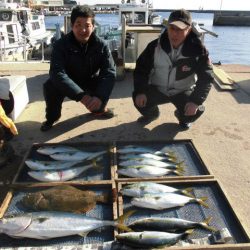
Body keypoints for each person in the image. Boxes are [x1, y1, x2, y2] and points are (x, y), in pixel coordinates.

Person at [133, 9, 214, 129]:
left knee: (198, 109)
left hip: (182, 90)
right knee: (138, 99)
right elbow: (141, 69)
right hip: (158, 89)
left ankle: (182, 116)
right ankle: (152, 114)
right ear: (167, 27)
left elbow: (206, 78)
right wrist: (140, 91)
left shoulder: (199, 50)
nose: (174, 34)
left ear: (189, 30)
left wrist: (195, 101)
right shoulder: (154, 46)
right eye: (172, 28)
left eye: (180, 30)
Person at [41, 5, 116, 132]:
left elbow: (109, 72)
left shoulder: (101, 45)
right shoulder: (60, 45)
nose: (83, 30)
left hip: (88, 79)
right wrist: (82, 96)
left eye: (87, 25)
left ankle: (100, 108)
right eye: (78, 25)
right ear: (72, 26)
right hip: (67, 81)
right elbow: (57, 72)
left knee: (100, 97)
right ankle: (51, 118)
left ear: (93, 26)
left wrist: (99, 96)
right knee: (50, 85)